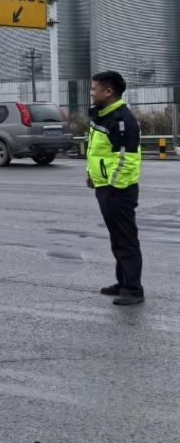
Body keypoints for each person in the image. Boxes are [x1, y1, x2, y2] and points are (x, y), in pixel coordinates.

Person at [86, 71, 143, 306]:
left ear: (108, 92)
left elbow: (126, 160)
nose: (91, 93)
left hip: (118, 189)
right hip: (104, 186)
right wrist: (91, 175)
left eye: (94, 89)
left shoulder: (121, 120)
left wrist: (113, 187)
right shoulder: (101, 115)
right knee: (117, 238)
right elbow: (95, 150)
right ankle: (123, 282)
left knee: (126, 239)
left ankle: (133, 289)